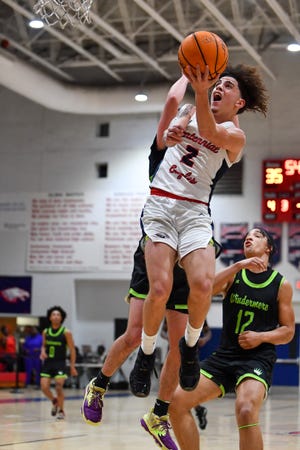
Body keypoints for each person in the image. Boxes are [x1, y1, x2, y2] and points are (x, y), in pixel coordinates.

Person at [81, 74, 222, 450]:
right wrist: (185, 77)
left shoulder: (209, 140)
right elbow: (172, 106)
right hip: (157, 246)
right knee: (133, 334)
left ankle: (157, 415)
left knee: (178, 347)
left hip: (187, 244)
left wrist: (201, 99)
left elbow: (210, 125)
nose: (180, 126)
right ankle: (100, 383)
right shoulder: (161, 150)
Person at [129, 63, 269, 397]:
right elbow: (173, 111)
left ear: (239, 103)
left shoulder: (236, 136)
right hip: (162, 205)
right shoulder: (191, 110)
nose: (219, 86)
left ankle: (191, 347)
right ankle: (146, 354)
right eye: (217, 83)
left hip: (194, 211)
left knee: (204, 282)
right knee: (160, 288)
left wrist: (202, 91)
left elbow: (209, 131)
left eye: (228, 85)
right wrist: (185, 84)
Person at [169, 227, 295, 450]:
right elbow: (204, 292)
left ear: (268, 247)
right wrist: (237, 266)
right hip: (224, 357)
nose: (249, 237)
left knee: (246, 410)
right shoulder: (235, 274)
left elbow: (288, 331)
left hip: (256, 359)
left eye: (257, 236)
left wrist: (261, 336)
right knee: (177, 402)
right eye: (247, 235)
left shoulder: (280, 284)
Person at [40, 306, 78, 420]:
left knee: (58, 387)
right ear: (50, 317)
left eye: (58, 315)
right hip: (48, 363)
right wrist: (42, 352)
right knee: (44, 387)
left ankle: (61, 410)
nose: (56, 316)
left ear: (61, 318)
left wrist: (72, 366)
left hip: (60, 362)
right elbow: (43, 346)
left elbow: (72, 350)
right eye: (53, 315)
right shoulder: (45, 332)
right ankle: (54, 401)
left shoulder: (66, 332)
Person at [194, 319, 212, 430]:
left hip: (191, 355)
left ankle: (198, 409)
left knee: (187, 387)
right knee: (171, 388)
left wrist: (204, 339)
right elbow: (162, 331)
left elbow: (208, 332)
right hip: (172, 353)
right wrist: (169, 337)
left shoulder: (196, 310)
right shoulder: (171, 308)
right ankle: (198, 409)